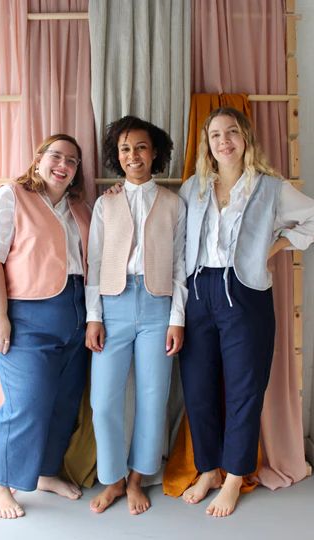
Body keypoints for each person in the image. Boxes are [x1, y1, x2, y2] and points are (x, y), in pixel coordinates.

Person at [178, 107, 314, 518]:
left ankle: (235, 475)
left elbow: (310, 220)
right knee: (198, 387)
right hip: (198, 289)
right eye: (216, 135)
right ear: (208, 144)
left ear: (246, 139)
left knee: (244, 389)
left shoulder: (272, 188)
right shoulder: (193, 189)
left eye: (232, 132)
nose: (224, 141)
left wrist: (270, 249)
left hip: (246, 293)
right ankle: (207, 470)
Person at [0, 134, 91, 519]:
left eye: (71, 160)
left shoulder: (78, 207)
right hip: (24, 316)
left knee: (64, 401)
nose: (63, 164)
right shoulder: (12, 196)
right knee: (29, 401)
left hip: (75, 313)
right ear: (39, 158)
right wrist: (0, 316)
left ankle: (43, 472)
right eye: (56, 156)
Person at [85, 115, 187, 515]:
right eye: (125, 149)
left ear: (155, 152)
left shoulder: (174, 203)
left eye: (141, 147)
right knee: (104, 400)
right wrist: (95, 316)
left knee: (152, 396)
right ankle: (110, 478)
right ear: (117, 155)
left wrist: (177, 318)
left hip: (158, 308)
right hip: (113, 306)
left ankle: (136, 478)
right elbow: (93, 263)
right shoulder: (105, 203)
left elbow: (181, 264)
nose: (133, 155)